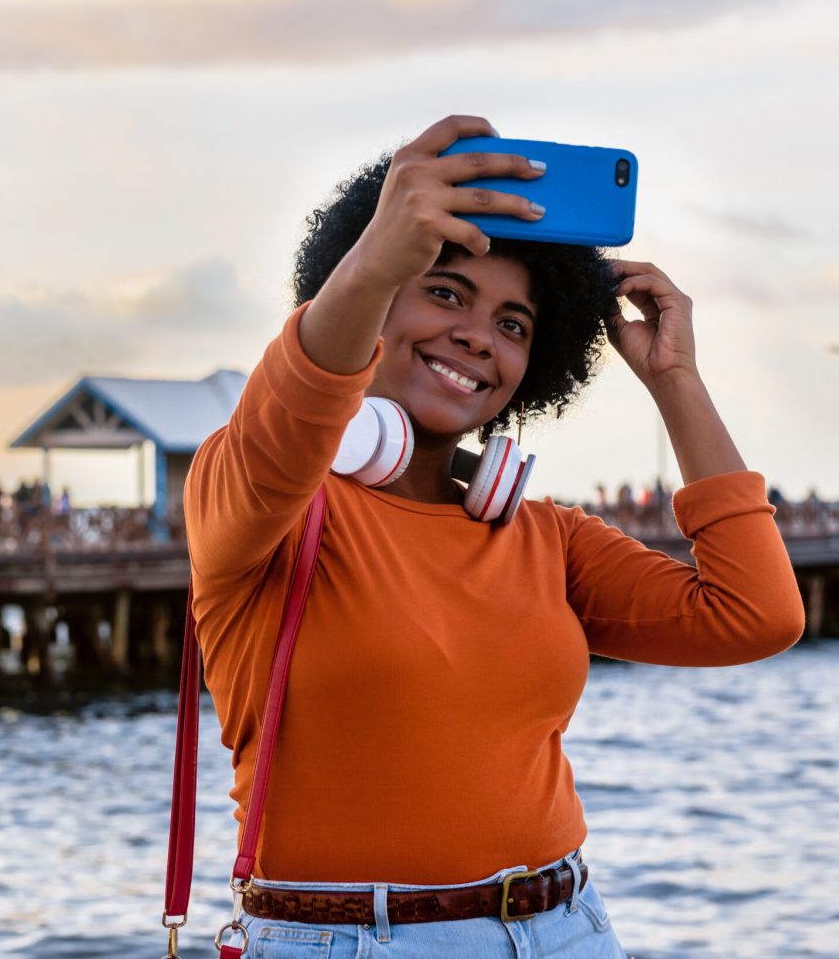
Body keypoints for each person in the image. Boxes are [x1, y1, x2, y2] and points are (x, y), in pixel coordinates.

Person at [183, 115, 805, 958]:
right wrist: (377, 253)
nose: (480, 335)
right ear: (368, 289)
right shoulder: (261, 503)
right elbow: (297, 400)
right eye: (444, 292)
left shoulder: (544, 536)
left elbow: (755, 614)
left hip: (568, 928)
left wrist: (675, 382)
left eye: (514, 324)